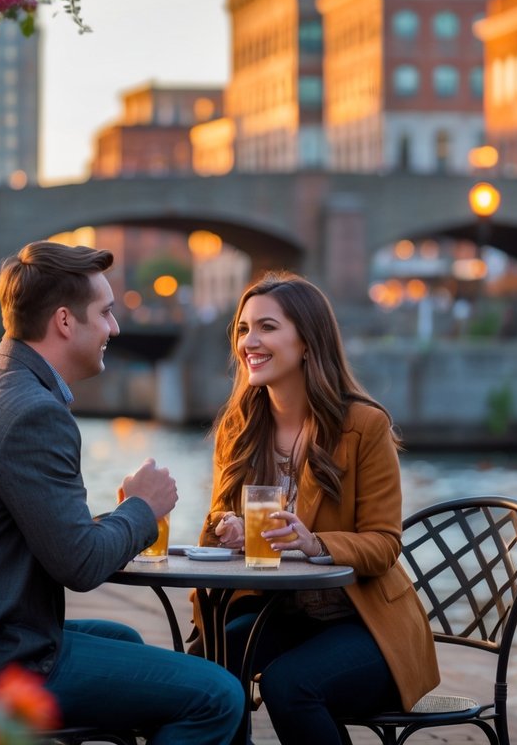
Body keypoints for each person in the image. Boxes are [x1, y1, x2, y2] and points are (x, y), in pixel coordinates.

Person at [0, 240, 243, 744]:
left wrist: (124, 515)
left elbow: (59, 534)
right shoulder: (34, 414)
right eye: (105, 313)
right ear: (65, 321)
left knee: (125, 639)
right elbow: (80, 566)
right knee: (219, 695)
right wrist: (142, 509)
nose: (115, 328)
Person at [198, 272, 440, 745]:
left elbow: (384, 543)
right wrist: (227, 527)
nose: (250, 341)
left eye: (267, 327)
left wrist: (315, 544)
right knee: (211, 663)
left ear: (308, 341)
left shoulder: (363, 426)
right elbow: (215, 519)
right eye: (244, 329)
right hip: (282, 614)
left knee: (292, 685)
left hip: (366, 626)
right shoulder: (240, 427)